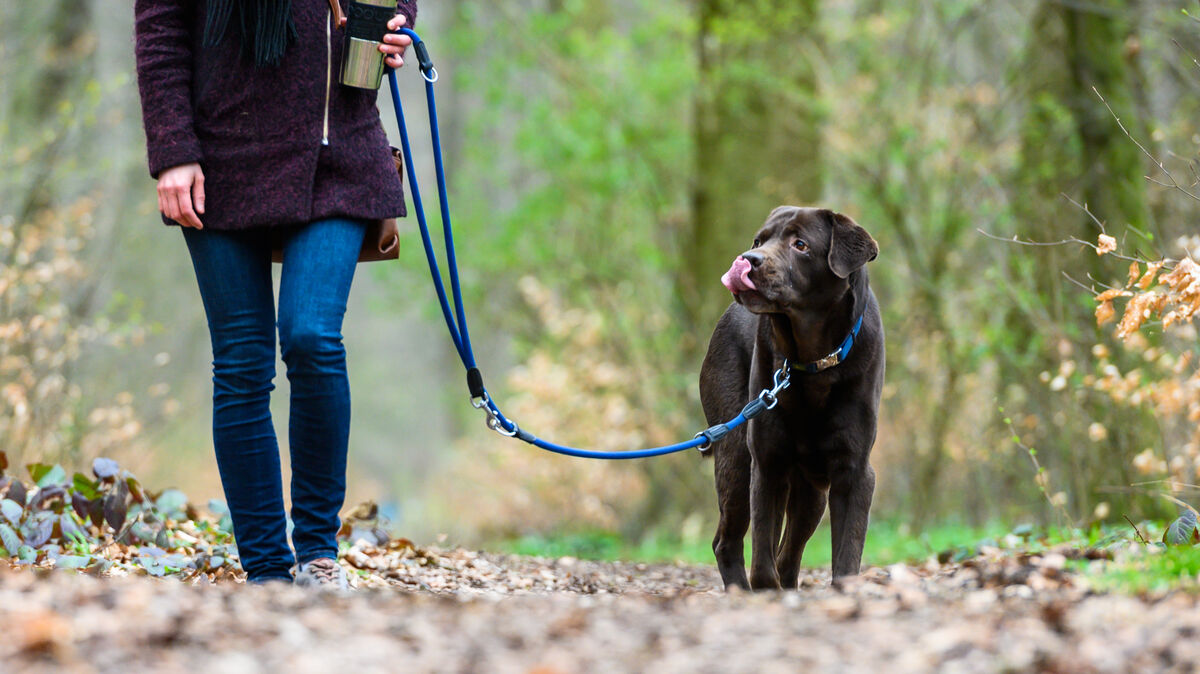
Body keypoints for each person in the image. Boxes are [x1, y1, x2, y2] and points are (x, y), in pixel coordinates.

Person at [133, 0, 418, 588]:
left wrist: (396, 27)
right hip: (219, 159)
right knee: (242, 363)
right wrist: (173, 152)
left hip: (336, 155)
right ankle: (266, 571)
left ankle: (317, 554)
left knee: (312, 336)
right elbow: (161, 31)